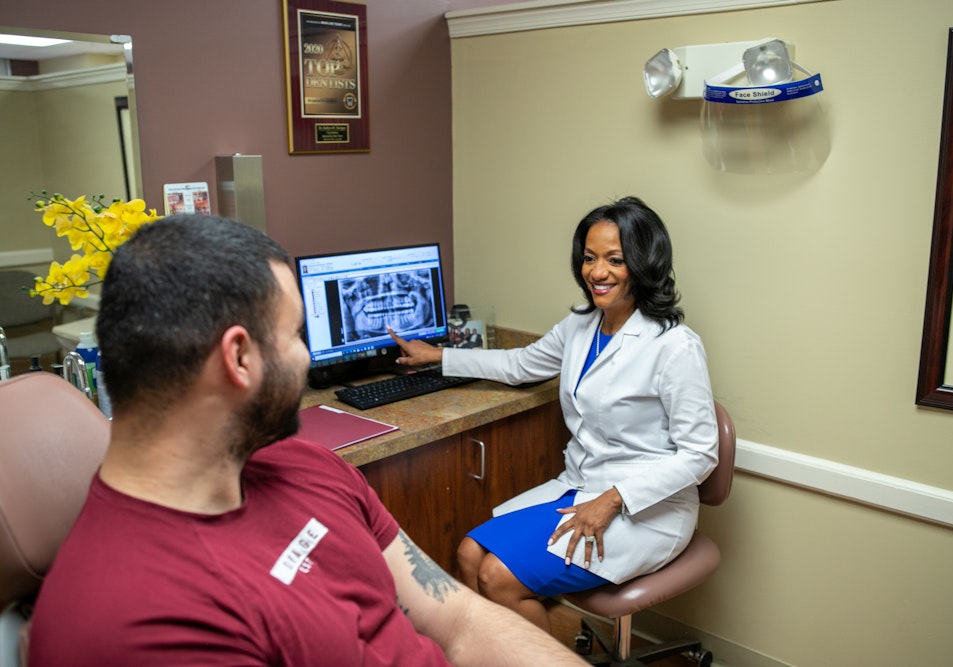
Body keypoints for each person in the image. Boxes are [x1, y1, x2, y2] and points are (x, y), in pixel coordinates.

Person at [28, 214, 587, 667]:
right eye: (297, 335)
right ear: (239, 358)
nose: (308, 356)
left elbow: (459, 621)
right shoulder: (128, 624)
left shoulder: (306, 466)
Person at [389, 196, 718, 631]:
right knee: (469, 553)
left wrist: (612, 499)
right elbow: (520, 365)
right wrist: (439, 356)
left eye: (614, 259)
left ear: (643, 263)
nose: (597, 272)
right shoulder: (582, 325)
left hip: (644, 509)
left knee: (498, 578)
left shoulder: (674, 345)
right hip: (579, 489)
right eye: (589, 258)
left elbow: (700, 454)